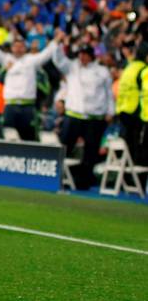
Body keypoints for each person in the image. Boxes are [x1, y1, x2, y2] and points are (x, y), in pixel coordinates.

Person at [0, 22, 64, 140]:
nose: (18, 49)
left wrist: (57, 39)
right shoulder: (6, 60)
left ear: (25, 48)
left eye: (21, 46)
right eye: (16, 46)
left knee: (29, 137)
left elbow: (47, 53)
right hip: (10, 106)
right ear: (12, 48)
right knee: (5, 137)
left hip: (27, 107)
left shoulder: (31, 61)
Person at [52, 38, 115, 190]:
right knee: (64, 147)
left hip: (94, 117)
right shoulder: (72, 67)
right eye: (81, 54)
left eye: (86, 54)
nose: (82, 57)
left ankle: (83, 183)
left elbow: (108, 94)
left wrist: (110, 111)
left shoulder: (102, 71)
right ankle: (57, 177)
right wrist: (58, 43)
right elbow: (58, 60)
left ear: (92, 56)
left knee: (90, 152)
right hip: (74, 115)